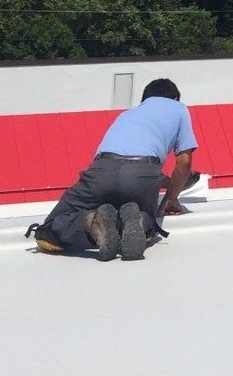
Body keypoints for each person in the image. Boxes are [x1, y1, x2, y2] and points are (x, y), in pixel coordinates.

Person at [28, 78, 196, 260]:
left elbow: (119, 169)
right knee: (149, 220)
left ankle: (92, 223)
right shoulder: (179, 109)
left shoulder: (126, 115)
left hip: (102, 170)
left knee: (48, 231)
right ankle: (139, 222)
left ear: (144, 99)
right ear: (175, 98)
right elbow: (184, 163)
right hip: (144, 174)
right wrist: (171, 198)